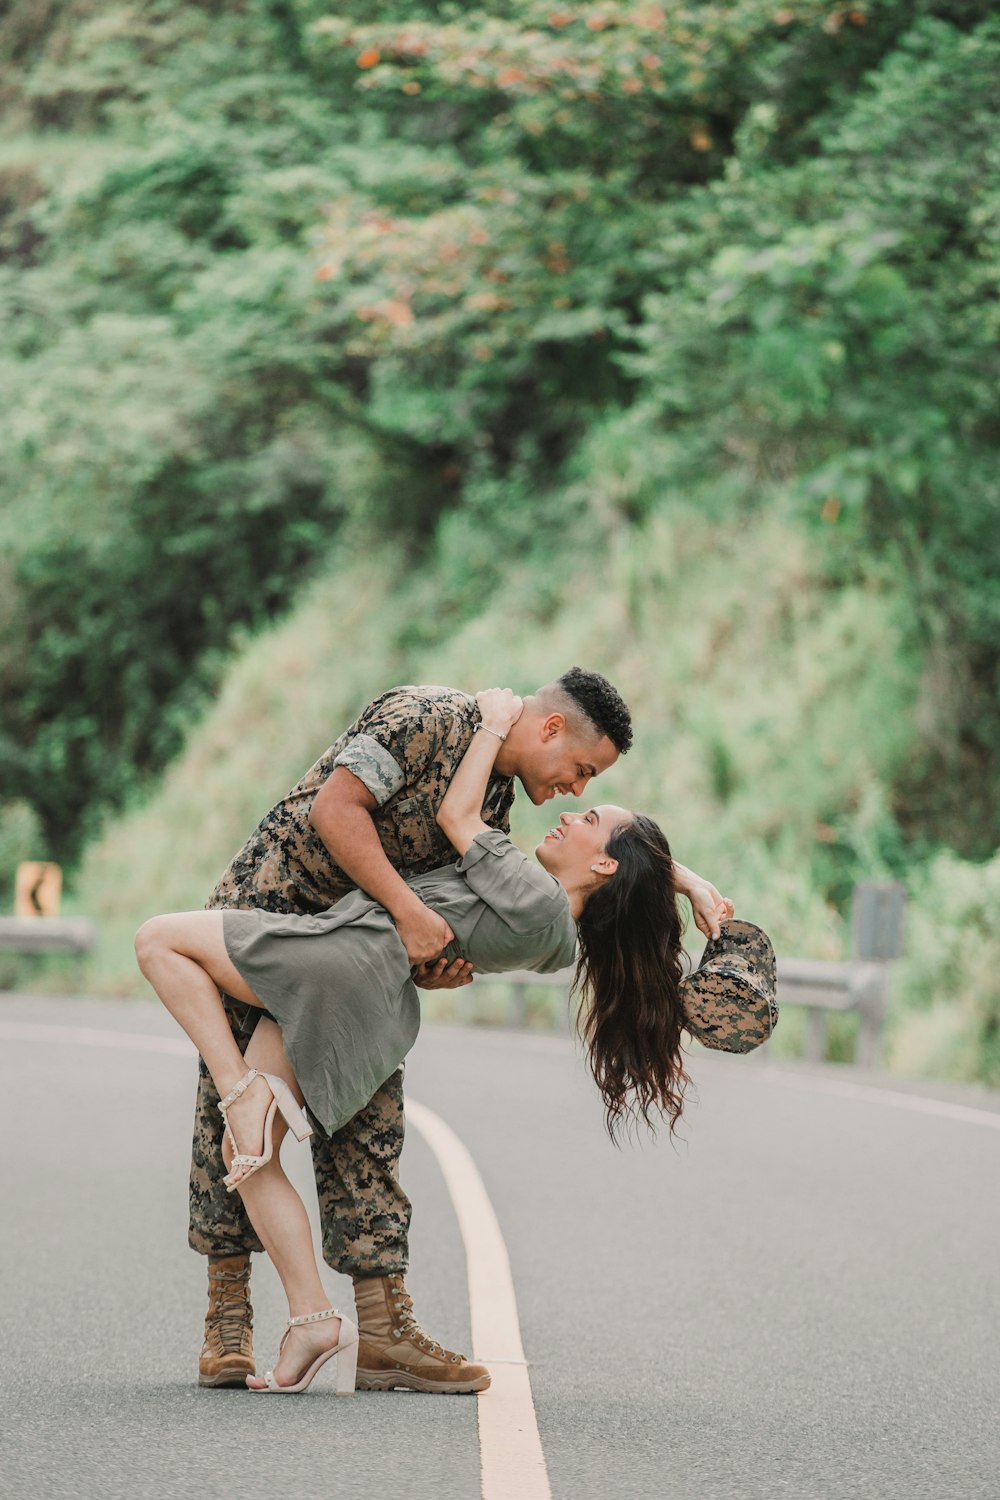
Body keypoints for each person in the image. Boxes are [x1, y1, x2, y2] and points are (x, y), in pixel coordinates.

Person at [136, 689, 709, 1393]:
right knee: (230, 1133)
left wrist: (430, 954)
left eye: (589, 792)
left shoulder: (500, 808)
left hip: (356, 955)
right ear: (553, 727)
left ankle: (374, 1330)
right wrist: (411, 918)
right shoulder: (430, 720)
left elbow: (571, 872)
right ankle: (231, 1315)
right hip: (283, 906)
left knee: (336, 1132)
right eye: (582, 771)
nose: (575, 791)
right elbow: (335, 811)